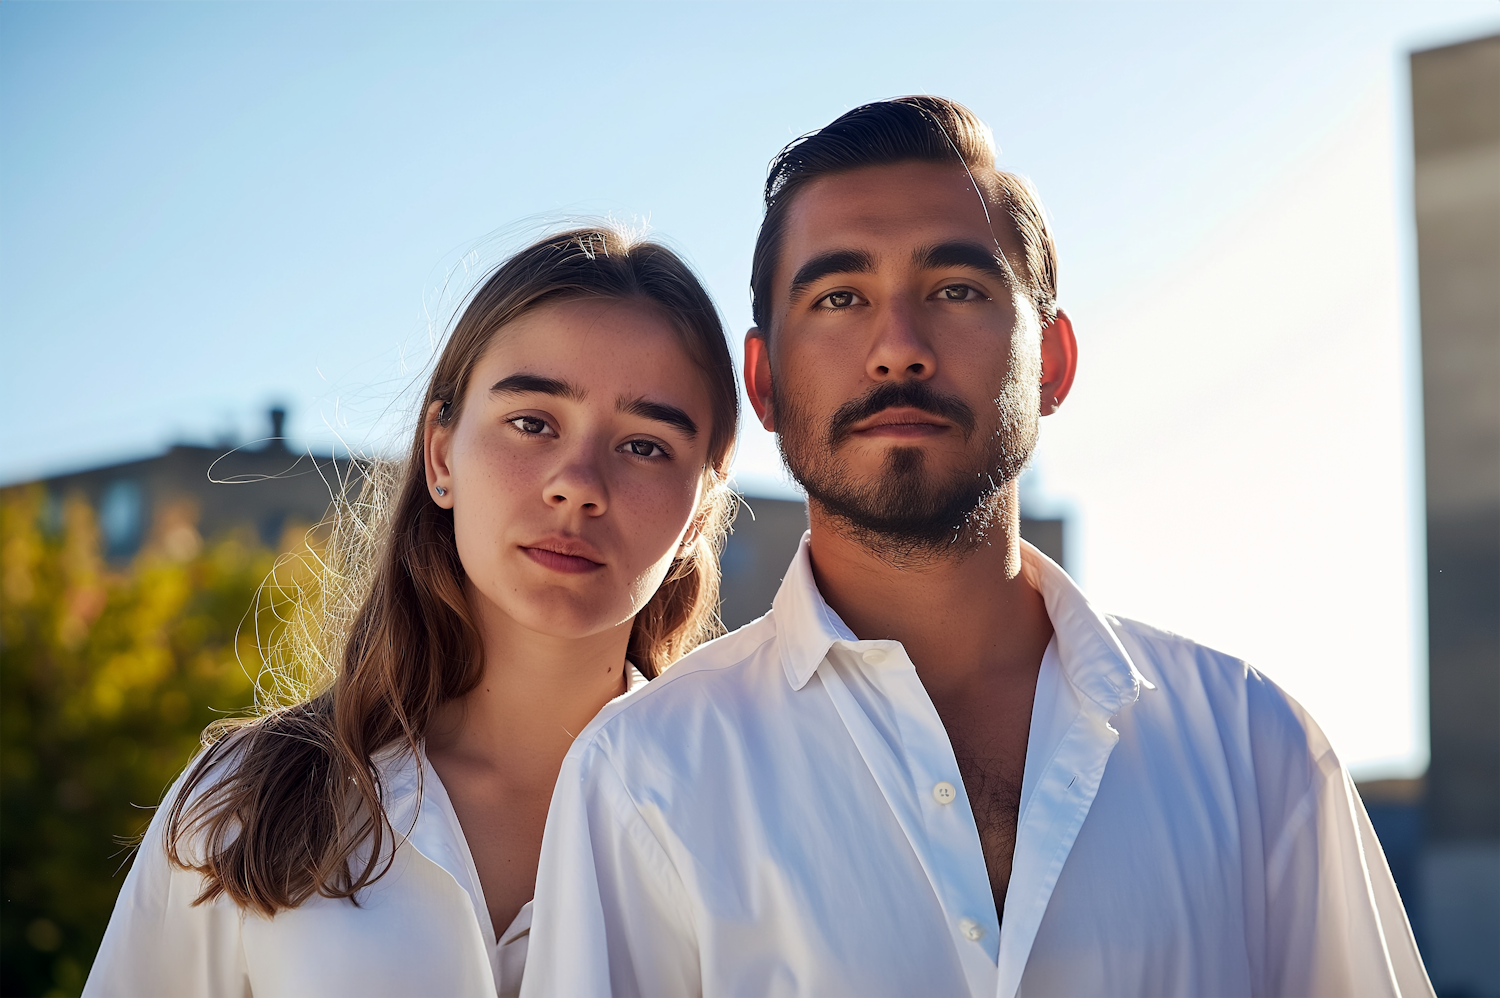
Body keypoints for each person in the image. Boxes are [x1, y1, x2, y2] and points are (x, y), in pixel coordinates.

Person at [521, 98, 1433, 998]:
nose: (898, 350)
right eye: (840, 298)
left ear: (1055, 364)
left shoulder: (1255, 749)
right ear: (763, 382)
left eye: (957, 290)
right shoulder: (639, 778)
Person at [82, 226, 740, 998]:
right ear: (440, 456)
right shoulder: (243, 803)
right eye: (532, 422)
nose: (578, 483)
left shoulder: (749, 825)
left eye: (646, 446)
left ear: (700, 507)